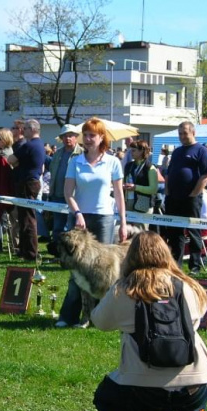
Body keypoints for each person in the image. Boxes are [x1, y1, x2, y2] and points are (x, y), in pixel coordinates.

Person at [92, 231, 207, 411]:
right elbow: (199, 317)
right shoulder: (188, 285)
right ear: (167, 253)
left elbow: (100, 321)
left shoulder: (124, 289)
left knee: (105, 398)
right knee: (193, 376)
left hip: (145, 391)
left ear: (129, 256)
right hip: (197, 388)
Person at [56, 117, 127, 328]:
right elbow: (67, 192)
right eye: (85, 135)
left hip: (104, 218)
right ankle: (70, 316)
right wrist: (77, 212)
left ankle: (101, 317)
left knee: (103, 273)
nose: (87, 139)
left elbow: (120, 195)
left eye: (91, 135)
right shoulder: (75, 162)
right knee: (77, 272)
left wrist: (123, 222)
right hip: (79, 220)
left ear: (101, 137)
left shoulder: (113, 162)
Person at [163, 121, 207, 273]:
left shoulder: (202, 150)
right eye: (180, 134)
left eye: (185, 133)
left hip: (191, 199)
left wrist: (193, 194)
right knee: (174, 233)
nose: (182, 136)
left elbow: (206, 175)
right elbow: (169, 173)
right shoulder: (177, 152)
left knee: (193, 231)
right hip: (173, 199)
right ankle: (176, 265)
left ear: (193, 132)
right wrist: (167, 192)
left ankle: (195, 266)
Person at [8, 119, 46, 261]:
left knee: (28, 219)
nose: (23, 131)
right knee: (24, 219)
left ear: (32, 129)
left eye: (25, 129)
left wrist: (16, 161)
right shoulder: (40, 144)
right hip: (32, 182)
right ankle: (24, 250)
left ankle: (30, 252)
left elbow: (10, 159)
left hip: (27, 183)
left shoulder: (29, 145)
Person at [48, 124, 83, 251]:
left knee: (72, 228)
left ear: (76, 137)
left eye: (70, 136)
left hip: (74, 197)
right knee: (57, 226)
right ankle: (58, 252)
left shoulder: (82, 154)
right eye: (64, 136)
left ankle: (73, 252)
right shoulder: (57, 154)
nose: (67, 139)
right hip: (57, 195)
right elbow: (52, 172)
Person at [123, 139, 159, 218]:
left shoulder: (150, 168)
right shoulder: (128, 166)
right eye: (131, 150)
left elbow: (153, 189)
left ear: (141, 151)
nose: (131, 152)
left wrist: (136, 187)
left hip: (143, 205)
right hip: (128, 202)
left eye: (133, 150)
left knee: (141, 230)